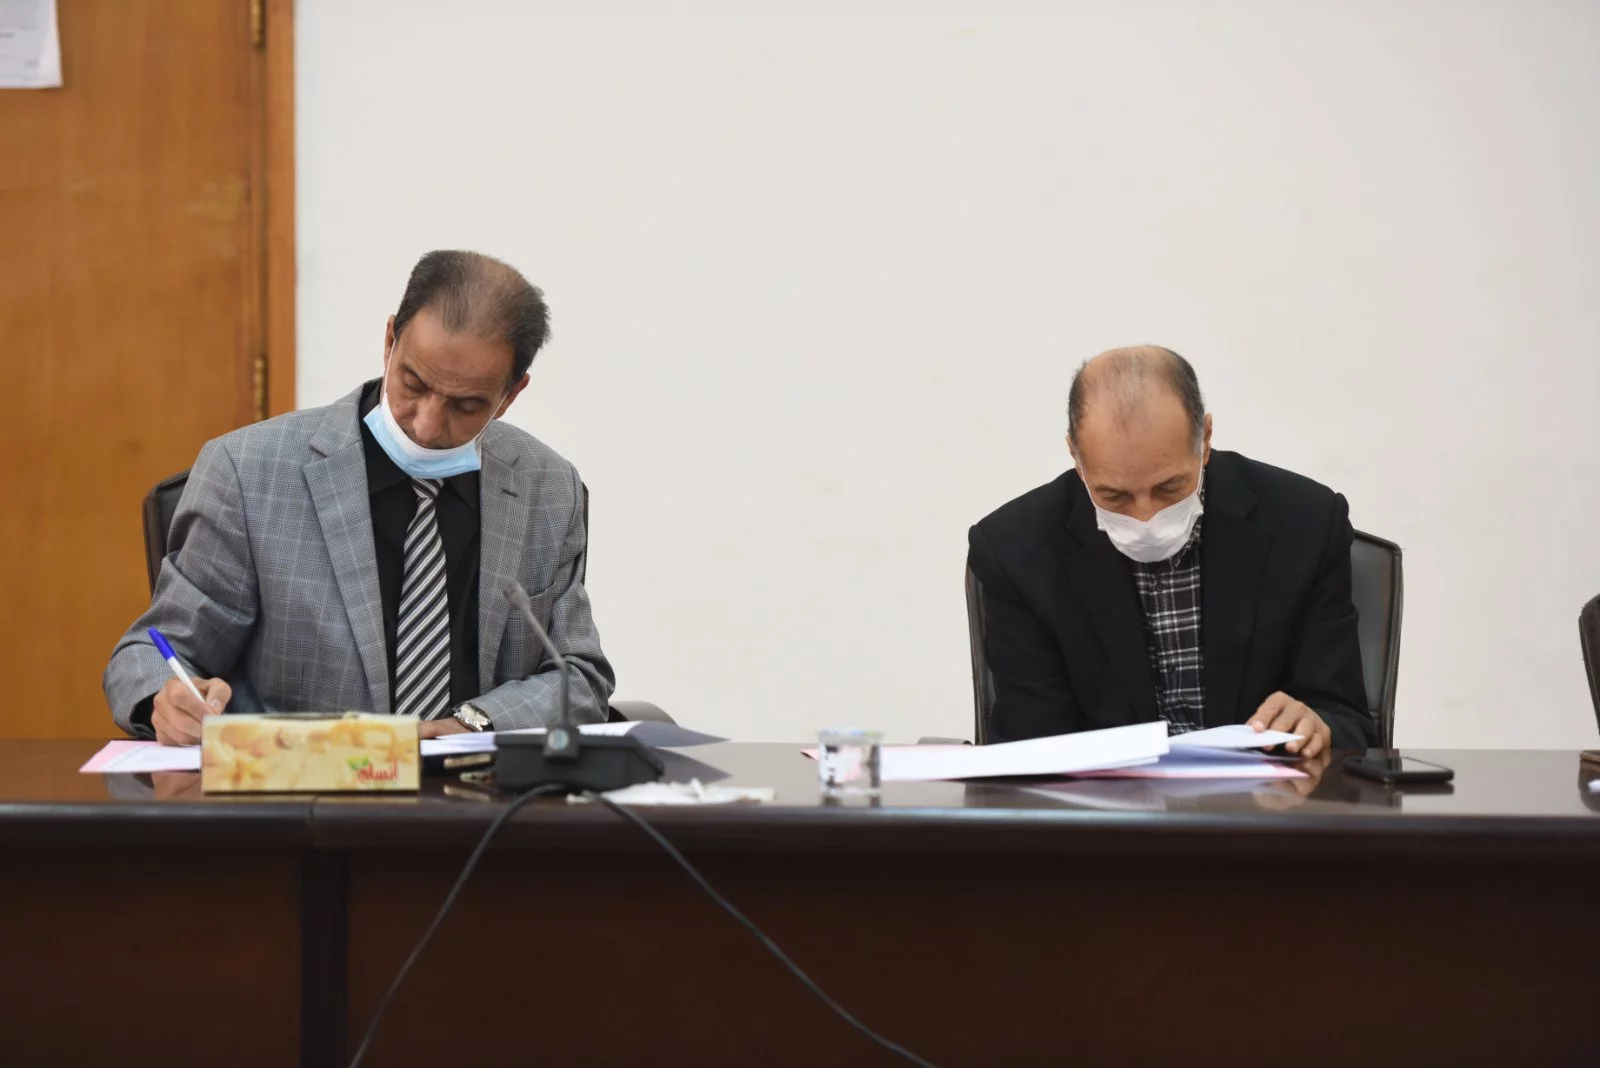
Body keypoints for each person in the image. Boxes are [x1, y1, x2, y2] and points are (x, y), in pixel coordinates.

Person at [105, 250, 614, 745]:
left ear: (511, 394)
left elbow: (579, 677)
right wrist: (163, 700)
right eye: (413, 384)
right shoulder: (249, 473)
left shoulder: (547, 489)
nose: (426, 425)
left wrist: (476, 723)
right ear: (390, 341)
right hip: (300, 788)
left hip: (478, 789)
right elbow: (147, 654)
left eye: (466, 406)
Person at [966, 345, 1374, 757]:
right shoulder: (1016, 552)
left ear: (1206, 439)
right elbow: (1030, 744)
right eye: (1114, 496)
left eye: (1169, 488)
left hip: (1264, 792)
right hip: (1103, 795)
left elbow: (1348, 720)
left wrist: (1316, 725)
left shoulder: (1303, 524)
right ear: (1075, 455)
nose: (1146, 517)